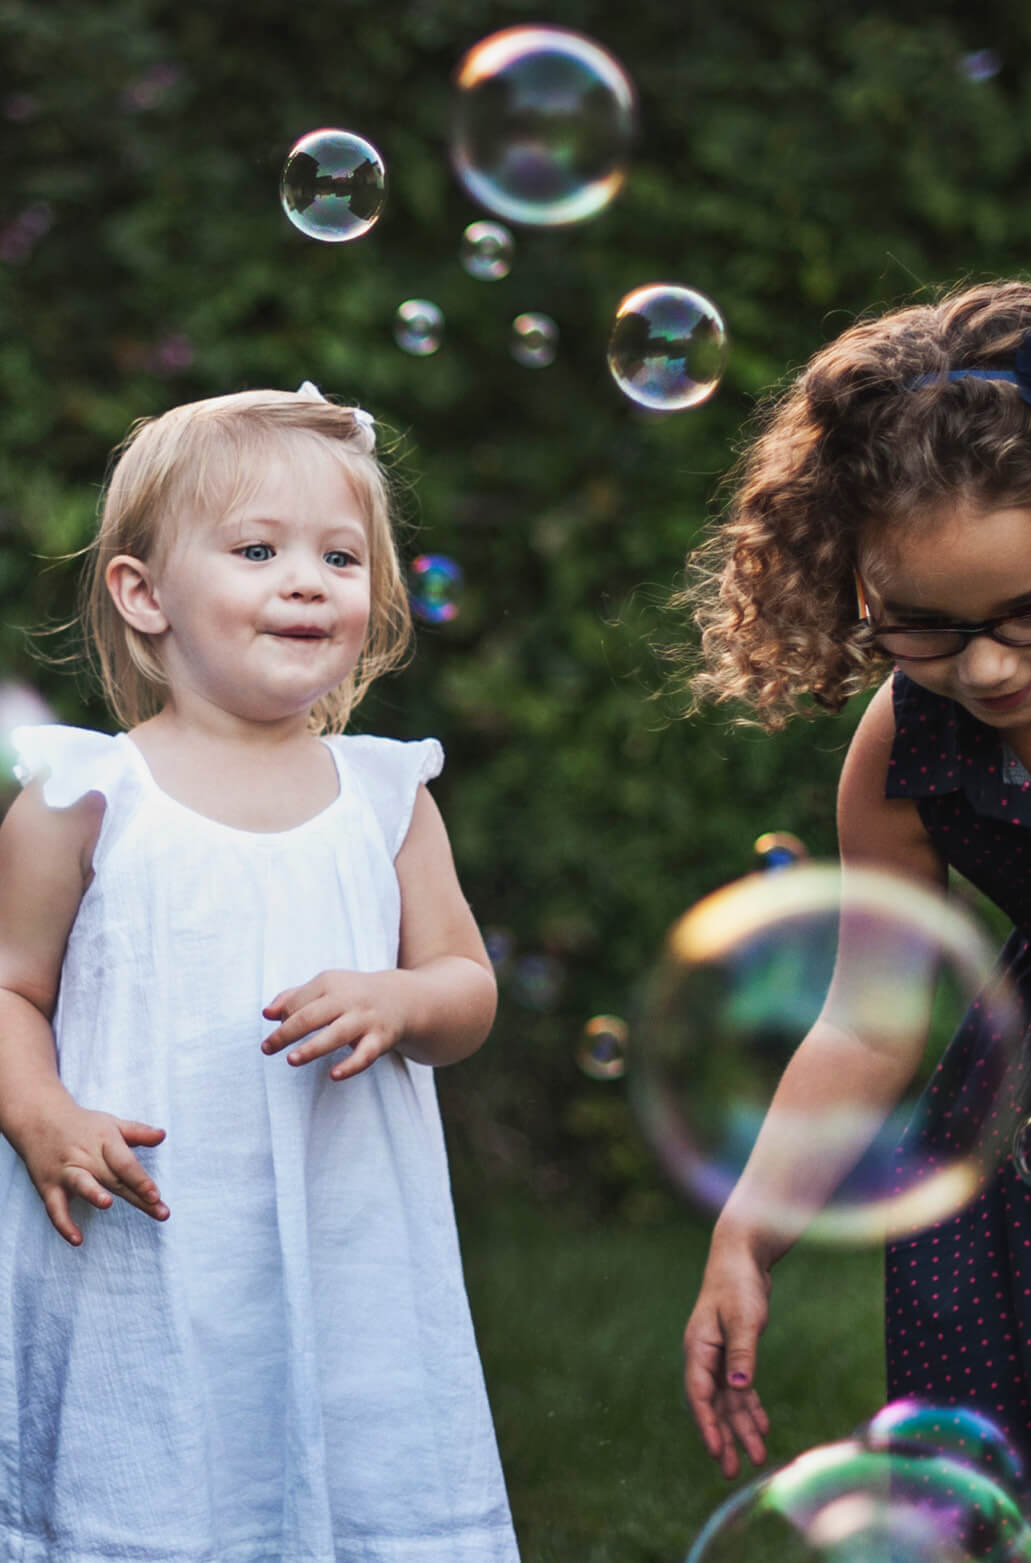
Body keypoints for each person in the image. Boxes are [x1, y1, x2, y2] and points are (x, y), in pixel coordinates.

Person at [679, 280, 1031, 1560]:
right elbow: (865, 1023)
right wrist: (749, 1228)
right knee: (1014, 1483)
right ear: (847, 580)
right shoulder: (904, 744)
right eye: (922, 626)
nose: (986, 668)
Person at [0, 384, 520, 1563]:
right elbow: (9, 988)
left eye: (341, 556)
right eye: (256, 549)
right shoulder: (84, 797)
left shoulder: (385, 797)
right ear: (143, 595)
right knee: (159, 1494)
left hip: (351, 1243)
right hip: (151, 1243)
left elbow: (465, 986)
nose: (306, 580)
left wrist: (403, 999)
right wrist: (41, 1113)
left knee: (357, 1472)